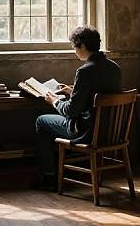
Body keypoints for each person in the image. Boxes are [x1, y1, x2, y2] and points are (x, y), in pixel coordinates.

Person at [34, 26, 122, 190]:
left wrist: (54, 101)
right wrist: (74, 91)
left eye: (74, 47)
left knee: (41, 121)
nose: (74, 51)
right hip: (111, 131)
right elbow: (100, 95)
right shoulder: (114, 67)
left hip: (87, 133)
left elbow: (71, 111)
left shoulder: (84, 71)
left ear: (82, 46)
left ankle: (50, 177)